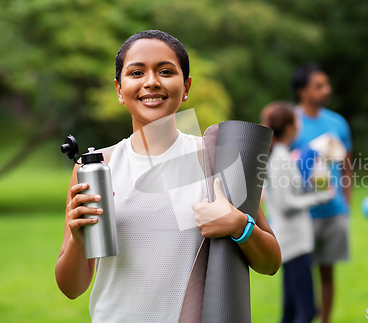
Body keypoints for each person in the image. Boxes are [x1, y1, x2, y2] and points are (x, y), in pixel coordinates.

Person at [54, 30, 281, 322]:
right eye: (136, 72)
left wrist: (239, 225)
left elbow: (271, 262)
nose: (151, 82)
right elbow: (71, 288)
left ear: (185, 87)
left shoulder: (215, 158)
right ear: (119, 89)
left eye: (165, 71)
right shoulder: (95, 168)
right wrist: (77, 238)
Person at [290, 63, 352, 323]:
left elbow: (347, 167)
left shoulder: (336, 123)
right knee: (298, 276)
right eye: (319, 86)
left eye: (326, 84)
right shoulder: (289, 122)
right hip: (300, 213)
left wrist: (346, 205)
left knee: (327, 273)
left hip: (332, 211)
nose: (327, 90)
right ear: (302, 91)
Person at [261, 101, 333, 323]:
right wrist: (321, 197)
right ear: (290, 127)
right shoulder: (280, 158)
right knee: (306, 310)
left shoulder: (282, 155)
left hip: (291, 241)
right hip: (293, 242)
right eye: (297, 119)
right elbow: (286, 204)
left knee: (291, 311)